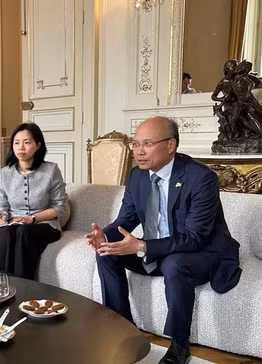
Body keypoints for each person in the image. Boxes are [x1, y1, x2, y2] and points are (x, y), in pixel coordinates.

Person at [85, 116, 241, 364]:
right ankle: (123, 329)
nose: (139, 151)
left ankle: (180, 346)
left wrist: (143, 246)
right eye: (135, 144)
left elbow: (194, 238)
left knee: (175, 263)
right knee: (106, 250)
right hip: (161, 249)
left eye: (147, 143)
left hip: (204, 253)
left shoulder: (201, 178)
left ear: (171, 145)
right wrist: (104, 235)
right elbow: (126, 219)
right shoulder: (137, 176)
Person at [0, 122, 70, 280]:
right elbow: (2, 206)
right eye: (16, 143)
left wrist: (32, 218)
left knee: (24, 232)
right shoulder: (4, 173)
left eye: (27, 142)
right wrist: (2, 217)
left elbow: (60, 208)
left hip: (45, 225)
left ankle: (24, 288)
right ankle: (2, 286)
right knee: (4, 233)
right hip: (14, 223)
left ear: (37, 145)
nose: (21, 147)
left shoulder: (51, 170)